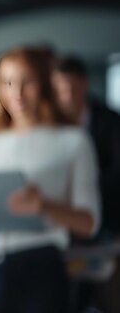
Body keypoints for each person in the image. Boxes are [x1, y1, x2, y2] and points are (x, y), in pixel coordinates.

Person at [0, 47, 101, 312]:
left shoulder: (73, 141)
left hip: (40, 269)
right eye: (7, 82)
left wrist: (44, 206)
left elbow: (90, 223)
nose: (16, 92)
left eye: (27, 82)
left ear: (45, 83)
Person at [52, 56, 120, 237]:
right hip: (59, 217)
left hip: (106, 213)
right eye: (61, 91)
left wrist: (81, 187)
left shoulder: (112, 121)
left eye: (73, 89)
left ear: (85, 85)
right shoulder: (49, 124)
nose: (67, 97)